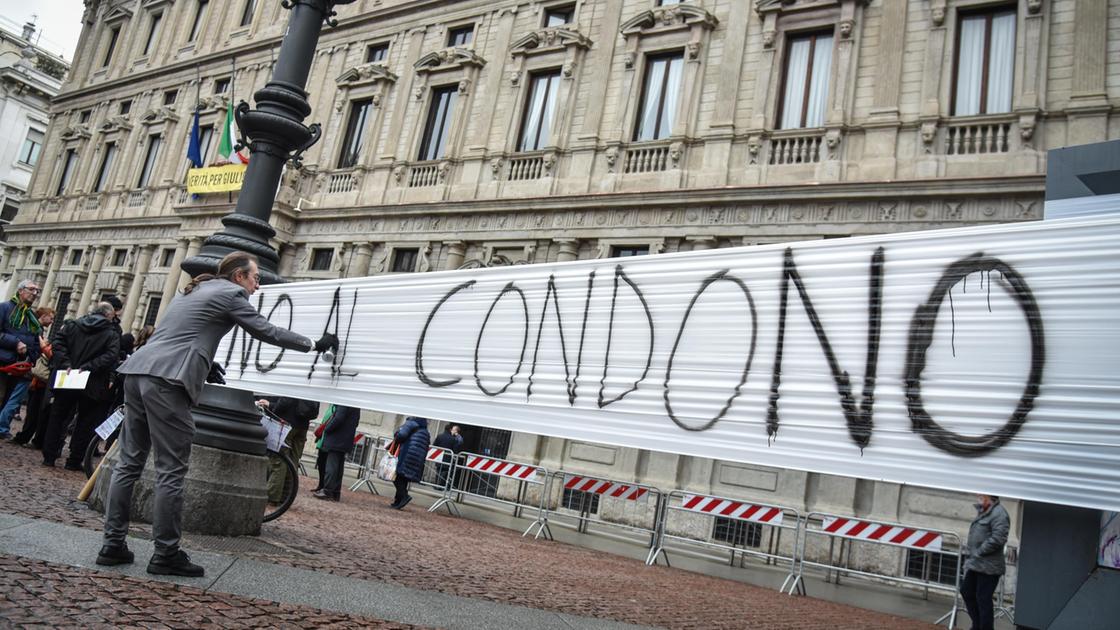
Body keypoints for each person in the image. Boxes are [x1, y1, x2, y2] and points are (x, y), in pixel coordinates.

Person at [99, 251, 338, 578]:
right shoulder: (231, 293)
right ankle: (166, 553)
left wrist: (206, 362)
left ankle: (112, 544)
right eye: (255, 278)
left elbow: (181, 333)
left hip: (138, 371)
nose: (257, 286)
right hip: (168, 382)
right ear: (239, 276)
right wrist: (314, 344)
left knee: (129, 463)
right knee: (171, 470)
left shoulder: (194, 290)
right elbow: (265, 331)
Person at [41, 302, 120, 469]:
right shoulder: (111, 334)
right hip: (93, 382)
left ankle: (49, 456)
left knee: (58, 417)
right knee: (85, 422)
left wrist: (67, 363)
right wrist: (89, 367)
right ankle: (74, 460)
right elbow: (111, 356)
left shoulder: (72, 325)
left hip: (67, 376)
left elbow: (58, 343)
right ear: (108, 316)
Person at [0, 280, 44, 439]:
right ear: (20, 291)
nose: (35, 293)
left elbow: (36, 340)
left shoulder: (31, 317)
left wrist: (32, 357)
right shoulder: (4, 308)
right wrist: (15, 342)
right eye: (32, 289)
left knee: (6, 402)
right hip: (3, 364)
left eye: (37, 291)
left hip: (20, 366)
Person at [960, 494, 1010, 630]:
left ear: (989, 497)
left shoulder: (999, 513)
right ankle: (977, 625)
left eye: (982, 496)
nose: (978, 497)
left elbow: (999, 538)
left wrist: (980, 550)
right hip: (976, 563)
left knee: (983, 599)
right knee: (967, 591)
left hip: (989, 566)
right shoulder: (985, 511)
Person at [257, 395, 320, 504]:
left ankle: (272, 496)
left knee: (279, 461)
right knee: (293, 461)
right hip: (302, 426)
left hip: (286, 424)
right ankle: (286, 496)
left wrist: (270, 405)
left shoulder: (296, 380)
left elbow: (285, 402)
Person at [12, 308, 56, 447]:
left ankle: (28, 438)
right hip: (40, 380)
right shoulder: (37, 330)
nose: (52, 321)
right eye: (51, 318)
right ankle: (30, 438)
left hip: (43, 381)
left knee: (35, 411)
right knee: (34, 410)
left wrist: (44, 347)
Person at [311, 404, 360, 502]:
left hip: (336, 438)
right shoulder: (355, 404)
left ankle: (327, 491)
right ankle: (335, 492)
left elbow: (338, 418)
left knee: (332, 466)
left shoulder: (344, 402)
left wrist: (327, 428)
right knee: (338, 467)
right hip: (344, 439)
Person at [391, 416, 431, 510]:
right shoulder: (425, 430)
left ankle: (404, 496)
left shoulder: (411, 423)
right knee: (403, 477)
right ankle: (398, 501)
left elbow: (400, 436)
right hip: (417, 457)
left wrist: (397, 432)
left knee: (396, 477)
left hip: (407, 453)